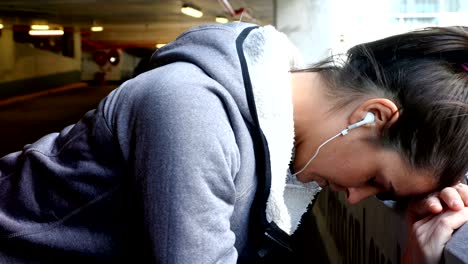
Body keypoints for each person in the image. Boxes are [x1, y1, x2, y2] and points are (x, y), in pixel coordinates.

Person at [0, 22, 466, 263]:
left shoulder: (269, 130)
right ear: (371, 116)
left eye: (381, 196)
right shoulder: (193, 111)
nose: (354, 195)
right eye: (373, 179)